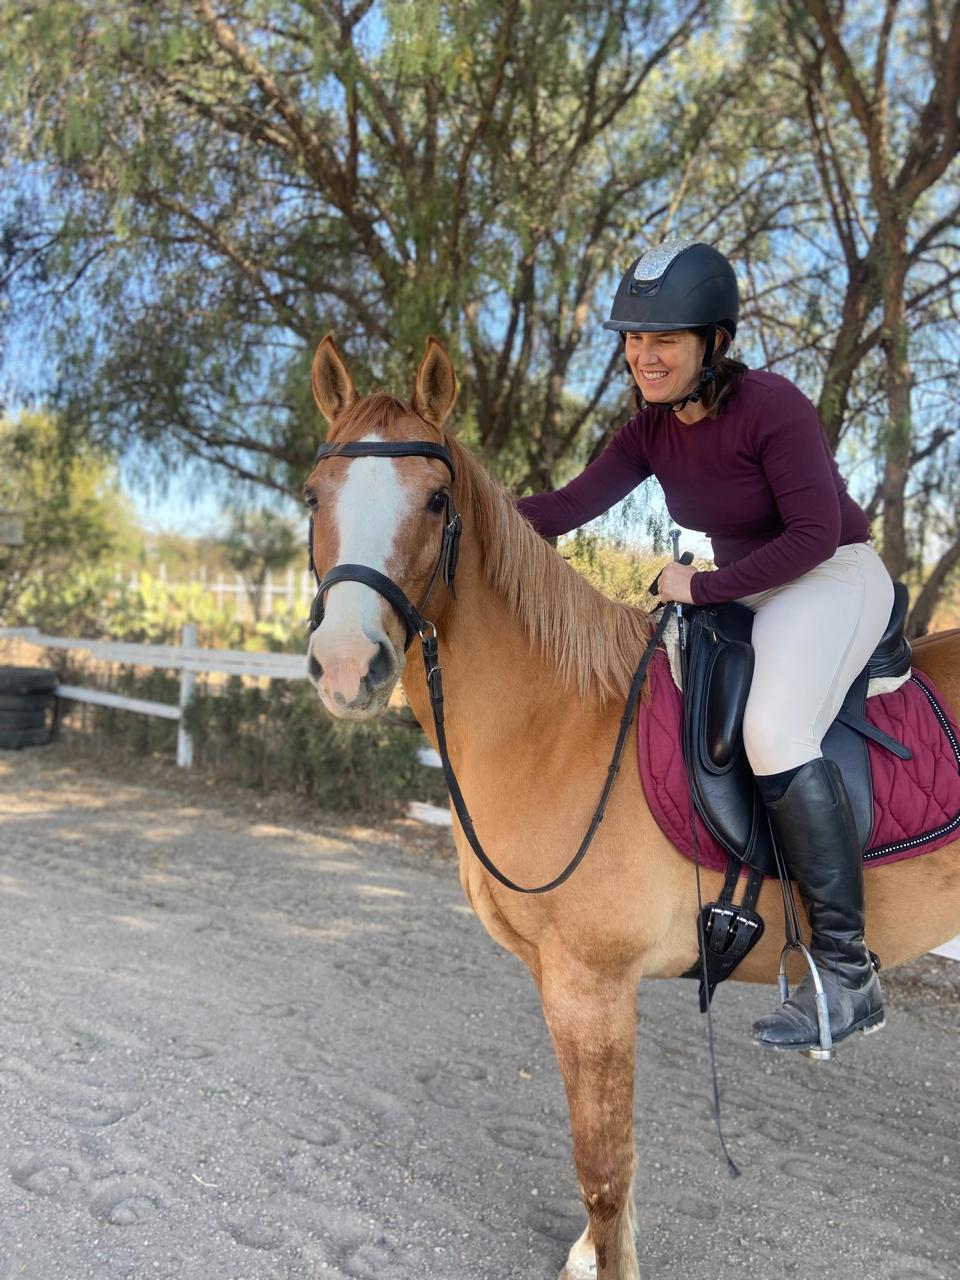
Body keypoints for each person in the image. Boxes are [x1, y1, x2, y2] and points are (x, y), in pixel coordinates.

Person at [516, 238, 894, 1052]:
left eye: (665, 341)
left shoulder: (774, 407)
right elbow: (566, 506)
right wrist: (458, 513)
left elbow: (813, 533)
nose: (643, 357)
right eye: (633, 339)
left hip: (831, 575)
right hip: (750, 582)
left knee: (773, 732)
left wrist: (698, 586)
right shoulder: (650, 429)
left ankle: (848, 972)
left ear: (714, 342)